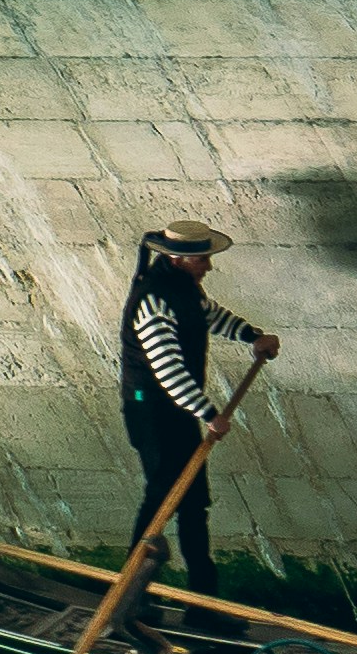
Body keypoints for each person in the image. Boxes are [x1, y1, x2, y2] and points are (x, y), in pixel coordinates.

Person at [115, 225, 275, 599]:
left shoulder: (183, 288)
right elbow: (167, 370)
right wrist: (208, 413)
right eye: (202, 259)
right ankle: (128, 596)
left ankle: (203, 602)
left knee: (194, 504)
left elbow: (210, 316)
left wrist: (253, 336)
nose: (208, 266)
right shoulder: (152, 300)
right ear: (178, 258)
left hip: (176, 412)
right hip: (152, 413)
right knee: (161, 501)